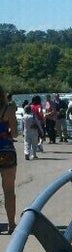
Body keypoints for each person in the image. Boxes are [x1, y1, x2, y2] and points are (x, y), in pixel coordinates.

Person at [0, 85, 18, 234]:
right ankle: (11, 225)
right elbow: (16, 134)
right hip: (6, 151)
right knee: (9, 191)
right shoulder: (8, 109)